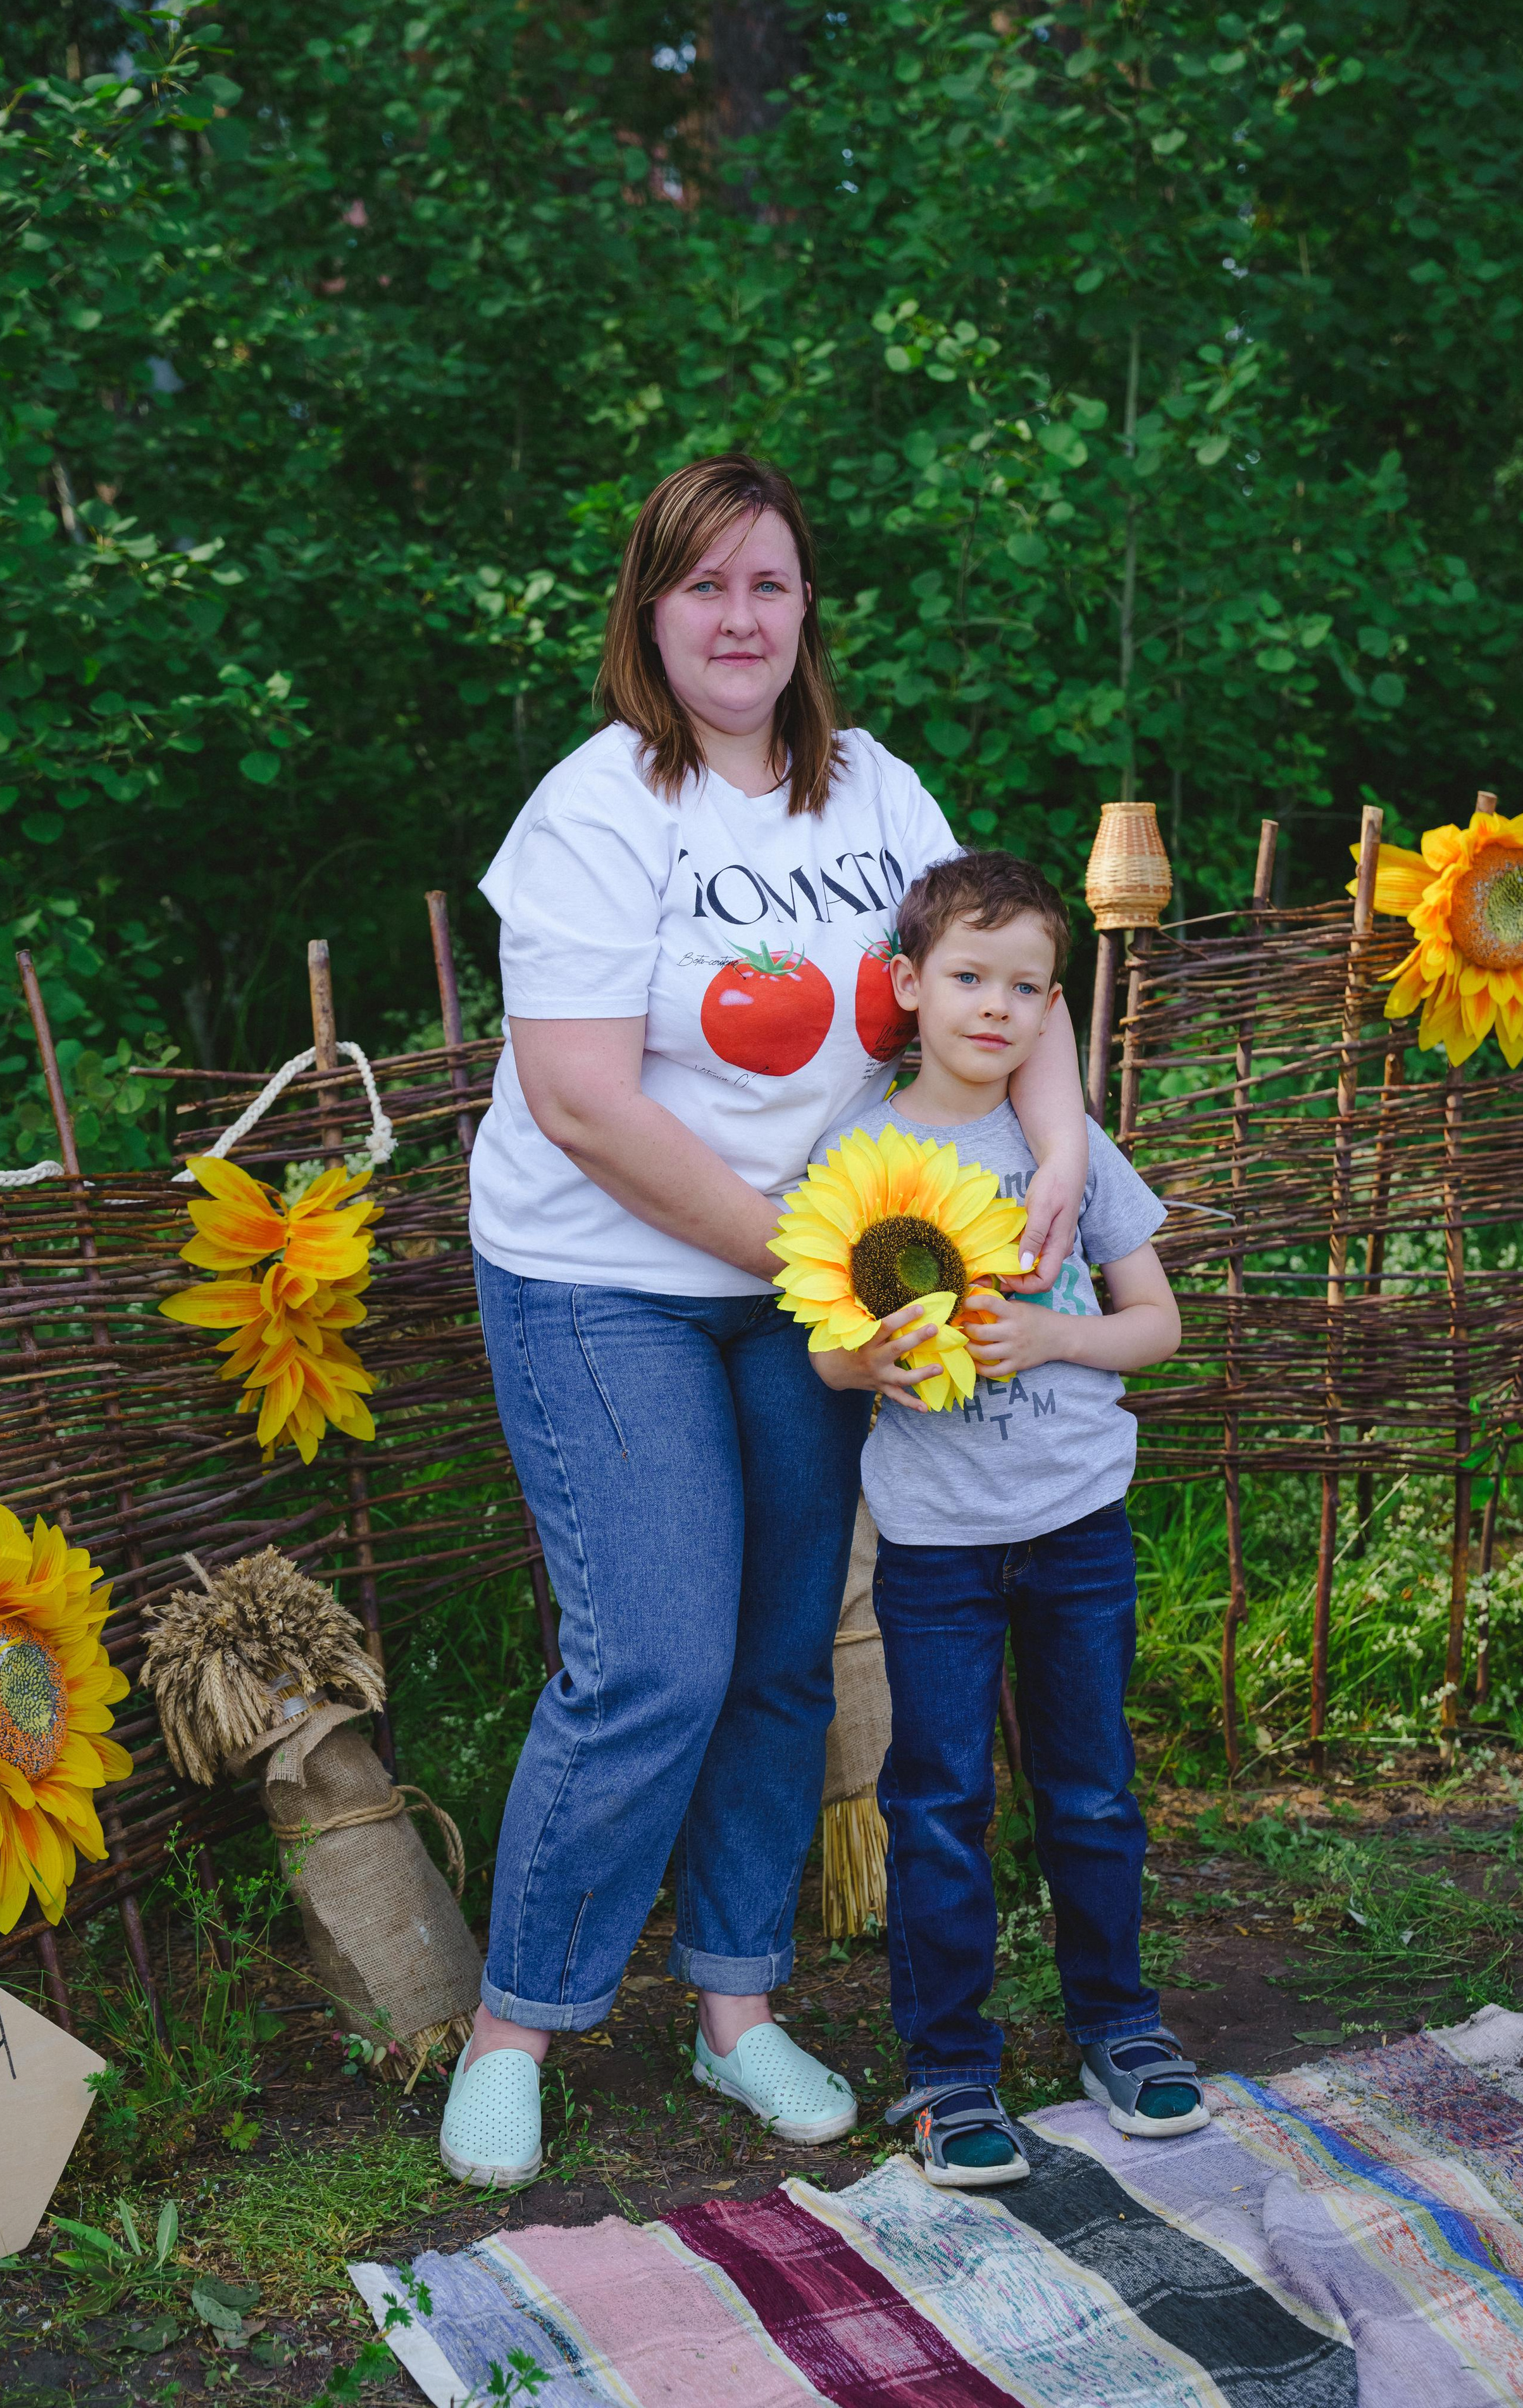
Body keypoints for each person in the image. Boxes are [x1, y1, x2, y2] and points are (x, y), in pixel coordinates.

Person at [443, 456, 1091, 2190]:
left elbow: (1007, 966)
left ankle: (736, 2011)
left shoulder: (876, 791)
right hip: (609, 1285)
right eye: (705, 585)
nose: (740, 618)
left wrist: (1060, 1142)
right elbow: (580, 1101)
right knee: (653, 1652)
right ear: (651, 611)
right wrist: (827, 1264)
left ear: (807, 613)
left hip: (806, 1299)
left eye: (772, 586)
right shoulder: (594, 812)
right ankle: (522, 2022)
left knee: (787, 1651)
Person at [804, 849, 1202, 2190]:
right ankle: (949, 2071)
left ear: (1052, 1011)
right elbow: (819, 1351)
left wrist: (1047, 1335)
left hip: (1078, 1525)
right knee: (938, 1800)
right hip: (934, 1545)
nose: (997, 1006)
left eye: (1026, 986)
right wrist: (871, 1364)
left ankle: (1118, 2027)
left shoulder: (1066, 1158)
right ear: (907, 986)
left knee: (1089, 1790)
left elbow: (1154, 1324)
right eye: (968, 977)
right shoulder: (860, 1155)